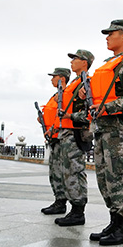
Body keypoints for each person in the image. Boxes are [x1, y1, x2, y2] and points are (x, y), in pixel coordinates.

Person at [85, 19, 123, 245]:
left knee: (117, 175)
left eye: (111, 33)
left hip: (118, 128)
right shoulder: (109, 64)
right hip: (102, 128)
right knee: (104, 177)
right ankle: (114, 220)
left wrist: (106, 107)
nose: (107, 37)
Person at [53, 50, 95, 226]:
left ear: (84, 62)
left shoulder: (87, 82)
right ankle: (72, 208)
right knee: (66, 171)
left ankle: (78, 211)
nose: (72, 62)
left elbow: (88, 113)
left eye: (75, 59)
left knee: (75, 172)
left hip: (76, 132)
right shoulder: (75, 83)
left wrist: (71, 117)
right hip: (66, 132)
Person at [40, 67, 72, 216]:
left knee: (63, 172)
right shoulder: (55, 95)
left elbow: (62, 115)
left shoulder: (65, 95)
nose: (51, 79)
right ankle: (59, 201)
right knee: (54, 172)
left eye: (54, 77)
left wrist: (53, 128)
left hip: (61, 136)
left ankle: (65, 203)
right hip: (52, 138)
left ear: (62, 78)